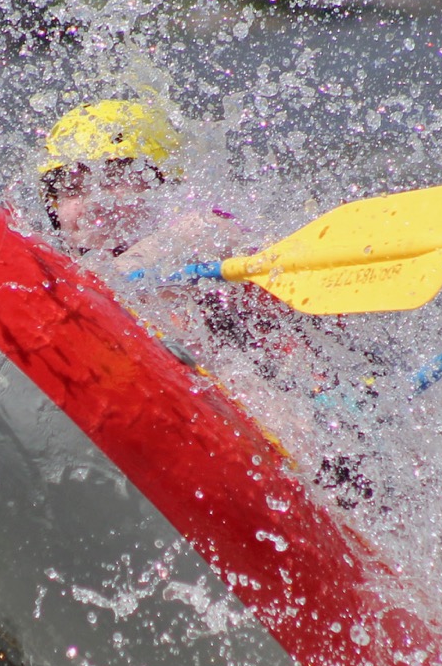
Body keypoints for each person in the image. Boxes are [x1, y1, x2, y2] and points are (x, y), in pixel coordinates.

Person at [39, 97, 378, 505]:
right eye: (71, 188)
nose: (93, 202)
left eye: (113, 178)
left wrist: (96, 282)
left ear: (163, 184)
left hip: (320, 452)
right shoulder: (67, 270)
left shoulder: (206, 233)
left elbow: (196, 232)